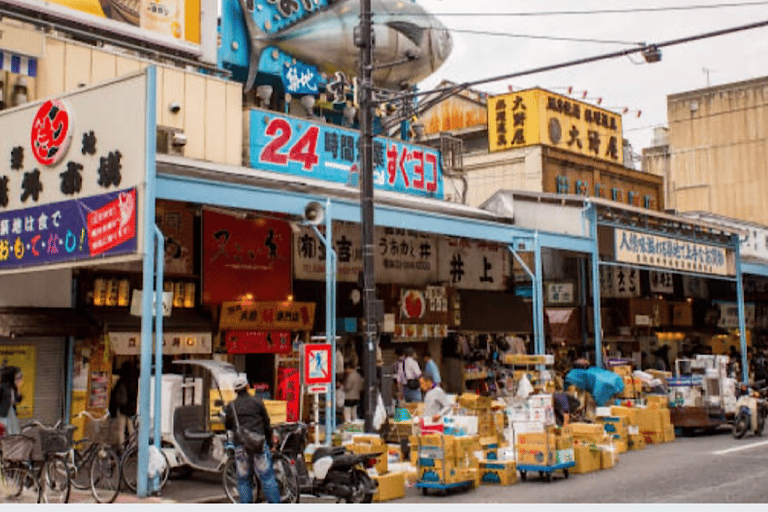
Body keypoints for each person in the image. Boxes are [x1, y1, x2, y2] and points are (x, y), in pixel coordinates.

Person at [223, 375, 280, 504]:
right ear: (248, 387)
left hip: (241, 447)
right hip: (259, 444)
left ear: (235, 390)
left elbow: (228, 425)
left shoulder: (232, 406)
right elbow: (267, 424)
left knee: (243, 479)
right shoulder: (258, 402)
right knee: (267, 477)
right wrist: (270, 443)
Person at [109, 362, 138, 446]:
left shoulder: (121, 380)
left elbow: (115, 394)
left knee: (121, 429)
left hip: (122, 408)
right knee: (131, 428)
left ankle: (122, 447)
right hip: (132, 408)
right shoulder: (134, 380)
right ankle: (133, 446)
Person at [0, 365, 23, 435]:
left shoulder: (13, 387)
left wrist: (18, 387)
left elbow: (18, 399)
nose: (20, 379)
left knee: (12, 435)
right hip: (3, 415)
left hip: (10, 413)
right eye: (18, 377)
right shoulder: (3, 387)